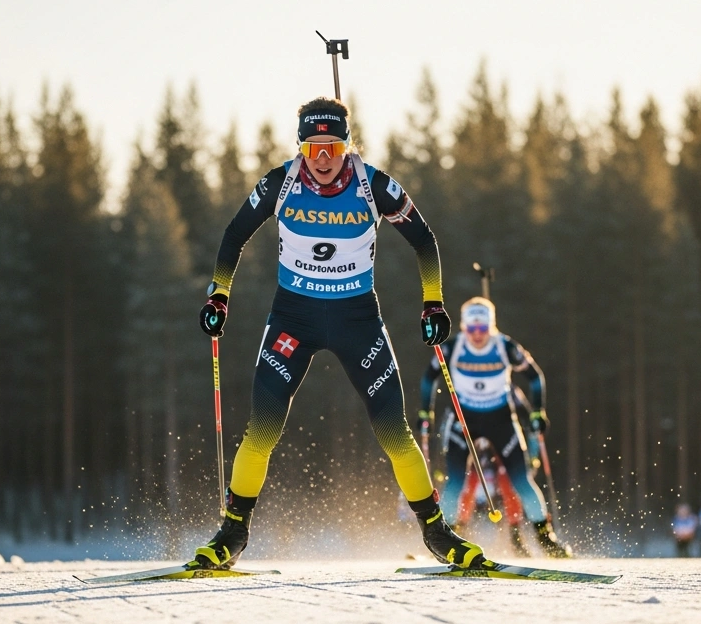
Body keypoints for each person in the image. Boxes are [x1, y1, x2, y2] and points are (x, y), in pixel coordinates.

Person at [190, 97, 491, 570]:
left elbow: (424, 240)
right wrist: (218, 294)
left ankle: (437, 532)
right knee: (262, 428)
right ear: (301, 149)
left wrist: (433, 302)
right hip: (294, 320)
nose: (323, 158)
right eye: (313, 149)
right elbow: (235, 233)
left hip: (357, 321)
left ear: (347, 145)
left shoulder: (374, 186)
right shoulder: (280, 182)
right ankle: (232, 531)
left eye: (332, 147)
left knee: (395, 430)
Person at [416, 297, 572, 558]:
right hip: (464, 419)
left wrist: (537, 412)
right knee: (454, 483)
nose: (478, 335)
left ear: (492, 326)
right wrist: (425, 412)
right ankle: (444, 541)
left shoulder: (505, 347)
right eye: (472, 329)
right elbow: (428, 378)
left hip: (500, 418)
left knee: (522, 481)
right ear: (465, 328)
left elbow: (535, 377)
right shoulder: (453, 347)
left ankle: (546, 539)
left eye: (483, 328)